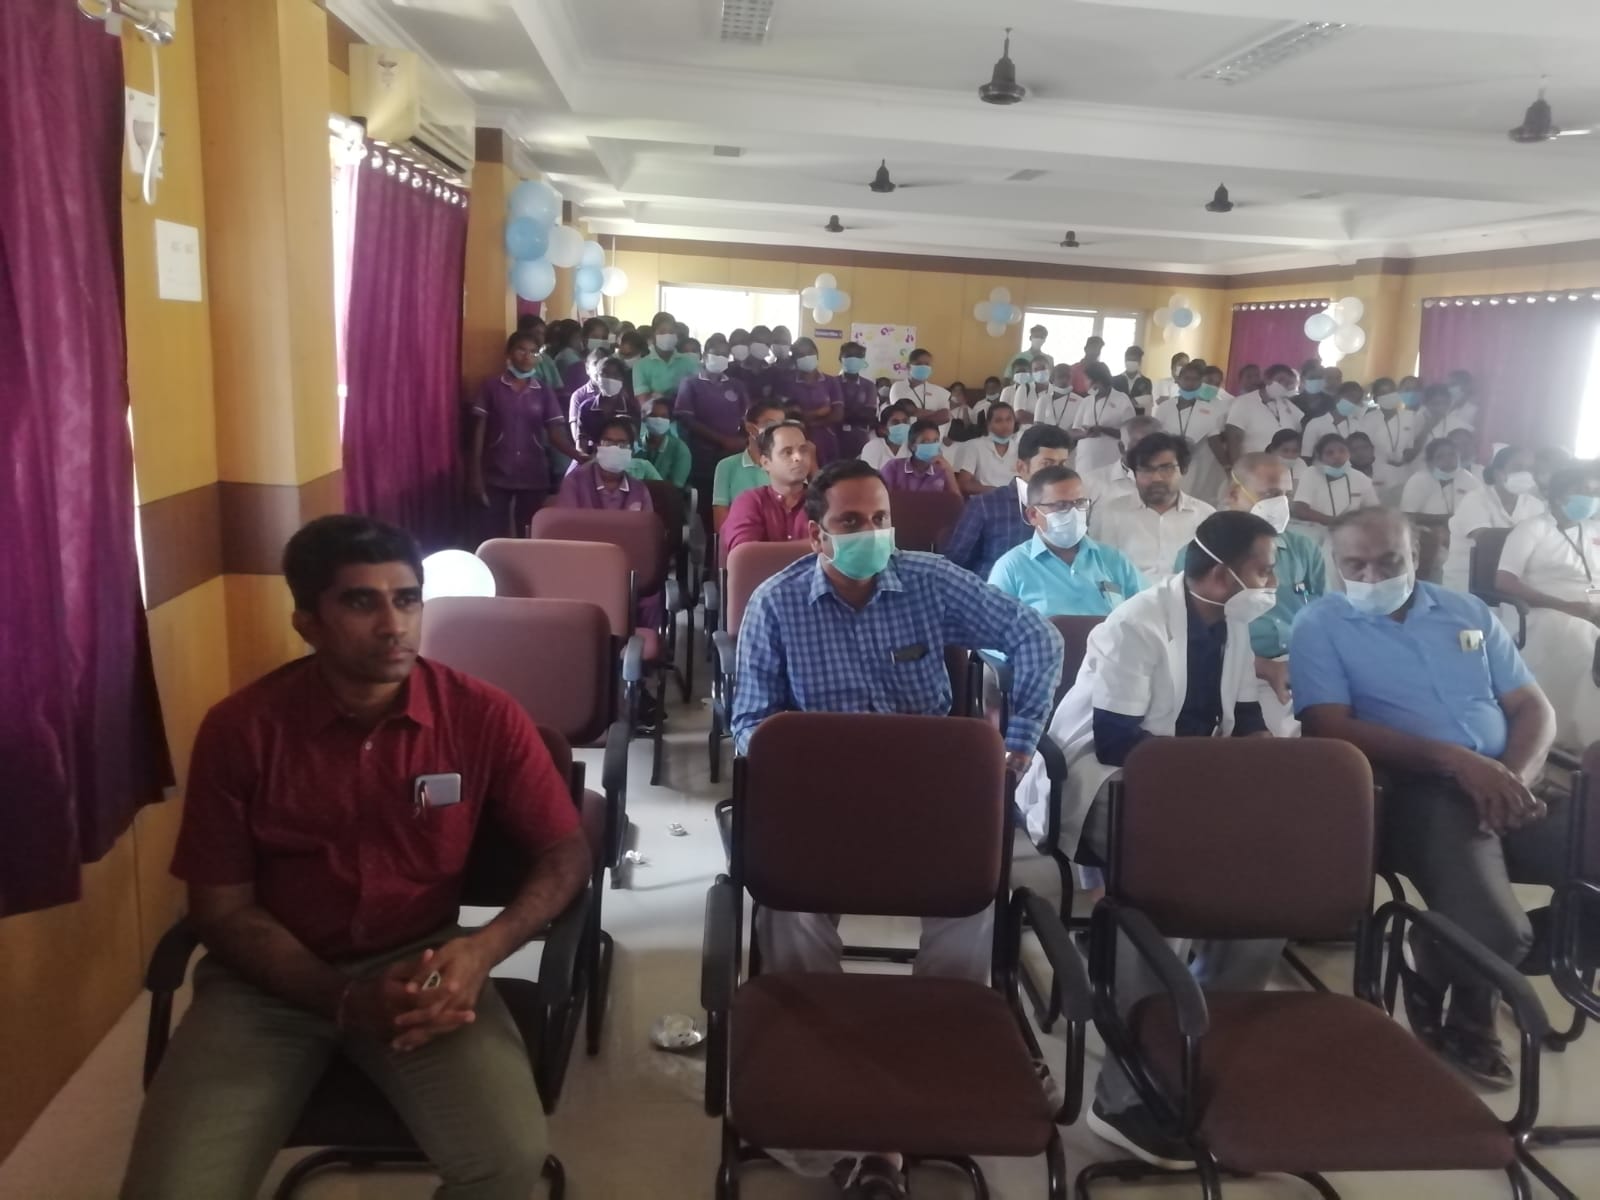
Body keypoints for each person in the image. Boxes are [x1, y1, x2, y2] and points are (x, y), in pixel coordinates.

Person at [119, 516, 590, 1200]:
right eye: (361, 602)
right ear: (307, 623)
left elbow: (564, 850)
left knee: (506, 1164)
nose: (393, 625)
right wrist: (342, 999)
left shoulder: (481, 716)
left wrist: (484, 949)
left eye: (407, 599)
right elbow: (220, 910)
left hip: (420, 966)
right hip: (267, 982)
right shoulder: (242, 730)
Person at [729, 459, 1061, 1194]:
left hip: (927, 795)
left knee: (972, 900)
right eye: (851, 523)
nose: (872, 534)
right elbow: (749, 721)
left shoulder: (930, 581)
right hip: (822, 796)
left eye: (880, 519)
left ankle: (936, 1048)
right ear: (817, 536)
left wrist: (1017, 744)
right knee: (786, 905)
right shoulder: (776, 605)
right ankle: (817, 1061)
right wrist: (798, 762)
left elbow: (1038, 639)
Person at [1015, 509, 1282, 1168]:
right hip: (1113, 782)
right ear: (1220, 574)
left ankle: (1196, 1042)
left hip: (1194, 781)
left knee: (1265, 894)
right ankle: (1125, 1095)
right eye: (1262, 570)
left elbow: (1246, 711)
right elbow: (1117, 741)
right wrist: (1218, 775)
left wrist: (1268, 765)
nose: (1272, 582)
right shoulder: (1135, 625)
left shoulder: (1230, 623)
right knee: (1164, 894)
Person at [1292, 507, 1559, 1088]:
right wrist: (1460, 763)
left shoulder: (1468, 612)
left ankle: (1440, 951)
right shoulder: (1321, 624)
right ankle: (1470, 1020)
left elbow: (1532, 706)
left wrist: (1509, 777)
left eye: (1389, 561)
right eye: (1355, 565)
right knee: (1500, 930)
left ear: (1416, 555)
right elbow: (1328, 724)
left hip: (1515, 779)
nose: (1372, 575)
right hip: (1418, 789)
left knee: (1504, 921)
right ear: (1335, 565)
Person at [1214, 453, 1327, 735]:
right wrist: (1264, 667)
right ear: (1234, 493)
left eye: (1287, 495)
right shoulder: (1208, 553)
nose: (1282, 504)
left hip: (1301, 667)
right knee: (1281, 744)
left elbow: (1324, 616)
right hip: (1241, 669)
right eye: (1272, 494)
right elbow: (1201, 638)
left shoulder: (1304, 549)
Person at [1492, 462, 1600, 754]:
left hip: (1590, 608)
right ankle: (1572, 734)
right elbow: (1505, 581)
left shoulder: (1593, 529)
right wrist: (1567, 606)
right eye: (1584, 492)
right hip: (1541, 611)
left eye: (1595, 492)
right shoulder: (1532, 529)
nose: (1592, 499)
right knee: (1584, 641)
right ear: (1560, 495)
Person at [469, 330, 584, 539]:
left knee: (529, 532)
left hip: (533, 473)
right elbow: (479, 431)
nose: (527, 356)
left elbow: (555, 434)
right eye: (521, 350)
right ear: (509, 353)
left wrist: (579, 456)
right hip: (495, 472)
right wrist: (475, 474)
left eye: (533, 352)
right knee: (492, 533)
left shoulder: (543, 391)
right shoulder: (491, 386)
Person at [988, 465, 1146, 617]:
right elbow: (992, 630)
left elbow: (1148, 612)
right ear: (1033, 515)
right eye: (1061, 505)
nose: (1074, 512)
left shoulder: (1114, 561)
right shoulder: (1011, 568)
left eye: (1080, 503)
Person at [945, 424, 1075, 579]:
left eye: (1062, 464)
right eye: (1047, 464)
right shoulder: (985, 507)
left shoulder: (1071, 509)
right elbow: (954, 568)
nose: (1057, 473)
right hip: (995, 591)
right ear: (1021, 467)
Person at [1092, 433, 1216, 583]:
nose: (1156, 478)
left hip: (1185, 595)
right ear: (1134, 473)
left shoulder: (1205, 516)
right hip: (1131, 596)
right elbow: (1103, 569)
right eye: (1146, 470)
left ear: (1183, 469)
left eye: (1166, 468)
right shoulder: (1112, 512)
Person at [1443, 445, 1545, 593]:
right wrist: (1531, 536)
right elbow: (1487, 540)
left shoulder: (1535, 505)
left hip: (1514, 581)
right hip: (1467, 583)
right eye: (1518, 468)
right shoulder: (1476, 499)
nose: (1526, 474)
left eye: (1530, 469)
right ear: (1498, 473)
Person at [675, 332, 752, 521]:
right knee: (707, 507)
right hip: (703, 455)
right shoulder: (690, 383)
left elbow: (747, 416)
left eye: (725, 354)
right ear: (705, 355)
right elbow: (687, 419)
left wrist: (742, 440)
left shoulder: (736, 385)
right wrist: (722, 440)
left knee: (733, 503)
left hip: (734, 453)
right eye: (716, 353)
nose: (720, 358)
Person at [719, 420, 814, 558]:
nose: (798, 457)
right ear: (765, 463)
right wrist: (816, 548)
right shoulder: (749, 501)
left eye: (803, 450)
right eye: (787, 452)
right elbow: (744, 556)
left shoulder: (825, 501)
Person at [1402, 437, 1483, 580]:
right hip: (1426, 531)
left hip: (1461, 531)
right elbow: (1408, 516)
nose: (1448, 460)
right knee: (1436, 538)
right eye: (1440, 457)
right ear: (1430, 462)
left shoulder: (1469, 480)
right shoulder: (1419, 480)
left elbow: (1479, 513)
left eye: (1452, 455)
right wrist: (1445, 521)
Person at [1153, 361, 1230, 506]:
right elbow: (1156, 437)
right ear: (1178, 380)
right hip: (1169, 461)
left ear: (1201, 383)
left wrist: (1227, 466)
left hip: (1196, 464)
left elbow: (1214, 439)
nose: (1190, 383)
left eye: (1195, 379)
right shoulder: (1165, 407)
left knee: (1191, 500)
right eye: (1186, 378)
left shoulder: (1209, 410)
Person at [555, 416, 658, 512]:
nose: (614, 449)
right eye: (608, 442)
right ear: (597, 447)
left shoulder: (639, 490)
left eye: (622, 444)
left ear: (632, 451)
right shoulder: (575, 483)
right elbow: (567, 523)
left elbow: (645, 524)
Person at [712, 400, 785, 531]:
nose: (777, 430)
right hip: (740, 538)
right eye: (771, 424)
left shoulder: (788, 465)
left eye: (781, 425)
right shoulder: (727, 466)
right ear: (750, 428)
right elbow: (720, 522)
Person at [1291, 433, 1379, 539]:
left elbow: (1375, 513)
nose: (1337, 456)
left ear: (1349, 453)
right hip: (1316, 536)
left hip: (1351, 537)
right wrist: (1334, 521)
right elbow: (1300, 510)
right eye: (1329, 453)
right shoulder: (1310, 474)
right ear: (1320, 457)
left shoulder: (1361, 478)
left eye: (1342, 451)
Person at [782, 336, 843, 466]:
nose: (806, 357)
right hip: (797, 441)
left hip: (827, 441)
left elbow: (837, 415)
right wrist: (819, 412)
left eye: (809, 353)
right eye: (800, 355)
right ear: (795, 359)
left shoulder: (830, 381)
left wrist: (807, 420)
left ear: (817, 354)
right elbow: (787, 415)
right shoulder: (788, 383)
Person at [1069, 362, 1138, 473]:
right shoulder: (1086, 401)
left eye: (1086, 379)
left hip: (1110, 462)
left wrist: (1103, 430)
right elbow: (1073, 431)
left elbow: (1131, 433)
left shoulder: (1121, 399)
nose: (1084, 383)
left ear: (1098, 381)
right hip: (1085, 463)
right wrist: (1085, 434)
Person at [1358, 377, 1416, 504]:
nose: (1388, 396)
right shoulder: (1368, 419)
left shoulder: (1409, 417)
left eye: (1391, 392)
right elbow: (1362, 447)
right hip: (1377, 472)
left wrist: (1407, 456)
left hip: (1403, 473)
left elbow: (1412, 446)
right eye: (1383, 393)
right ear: (1375, 398)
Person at [1080, 416, 1158, 508]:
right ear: (1122, 448)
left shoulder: (1171, 483)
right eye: (1141, 446)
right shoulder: (1091, 482)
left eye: (1157, 446)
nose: (1150, 452)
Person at [1225, 363, 1302, 455]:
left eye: (1287, 383)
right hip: (1252, 460)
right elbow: (1234, 438)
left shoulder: (1288, 405)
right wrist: (1237, 463)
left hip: (1282, 461)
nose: (1283, 385)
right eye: (1280, 380)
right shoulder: (1243, 402)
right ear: (1267, 379)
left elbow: (1298, 433)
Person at [633, 311, 698, 409]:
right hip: (654, 417)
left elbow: (696, 395)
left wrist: (661, 396)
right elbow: (644, 402)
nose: (667, 336)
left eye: (671, 332)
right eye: (662, 332)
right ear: (653, 335)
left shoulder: (689, 362)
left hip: (683, 416)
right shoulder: (640, 365)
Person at [880, 418, 961, 496]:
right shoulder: (894, 467)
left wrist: (949, 471)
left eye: (935, 441)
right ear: (912, 446)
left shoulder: (942, 470)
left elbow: (956, 502)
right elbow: (882, 497)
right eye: (925, 441)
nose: (931, 445)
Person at [953, 401, 1019, 495]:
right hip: (983, 500)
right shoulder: (973, 446)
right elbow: (964, 484)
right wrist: (998, 492)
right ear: (988, 424)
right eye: (998, 421)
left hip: (1013, 500)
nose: (1005, 425)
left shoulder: (1020, 449)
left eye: (1009, 419)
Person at [836, 340, 879, 459]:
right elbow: (830, 414)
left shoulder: (869, 386)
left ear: (863, 360)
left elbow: (869, 415)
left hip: (859, 439)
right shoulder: (832, 383)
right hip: (834, 437)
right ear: (840, 358)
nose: (853, 359)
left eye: (857, 356)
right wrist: (857, 413)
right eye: (849, 355)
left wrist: (841, 412)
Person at [888, 348, 952, 425]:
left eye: (927, 364)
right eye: (918, 364)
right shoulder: (898, 387)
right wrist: (936, 414)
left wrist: (915, 417)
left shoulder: (940, 391)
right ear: (908, 366)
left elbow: (945, 416)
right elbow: (904, 412)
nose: (923, 367)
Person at [639, 398, 692, 491]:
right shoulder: (635, 445)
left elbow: (675, 488)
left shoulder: (679, 450)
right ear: (643, 418)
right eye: (653, 415)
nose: (658, 420)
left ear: (670, 420)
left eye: (664, 416)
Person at [1301, 380, 1371, 451]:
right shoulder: (1315, 424)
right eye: (1350, 397)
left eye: (1357, 400)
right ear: (1337, 396)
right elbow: (1306, 454)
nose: (1353, 401)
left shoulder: (1357, 425)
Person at [860, 402, 914, 470]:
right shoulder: (873, 447)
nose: (902, 426)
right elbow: (869, 475)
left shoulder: (913, 447)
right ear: (883, 429)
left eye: (905, 421)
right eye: (895, 422)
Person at [1001, 352, 1051, 422]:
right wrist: (1046, 421)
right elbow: (1019, 415)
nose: (1040, 372)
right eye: (1036, 369)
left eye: (1043, 368)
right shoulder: (1021, 389)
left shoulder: (1055, 390)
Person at [1029, 362, 1078, 430]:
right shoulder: (1043, 400)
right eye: (1060, 377)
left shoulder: (1080, 401)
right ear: (1052, 380)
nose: (1065, 380)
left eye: (1068, 377)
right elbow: (1037, 427)